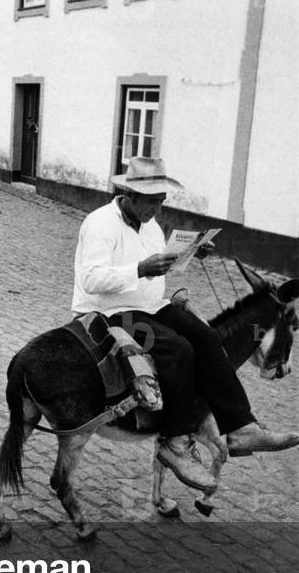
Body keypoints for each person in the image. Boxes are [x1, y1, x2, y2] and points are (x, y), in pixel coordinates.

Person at [73, 156, 299, 490]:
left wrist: (188, 254)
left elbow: (157, 265)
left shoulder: (149, 225)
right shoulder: (99, 223)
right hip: (110, 312)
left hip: (150, 305)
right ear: (129, 195)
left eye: (162, 202)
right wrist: (140, 269)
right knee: (177, 349)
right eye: (153, 202)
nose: (158, 210)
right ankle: (174, 442)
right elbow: (90, 280)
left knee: (207, 337)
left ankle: (240, 428)